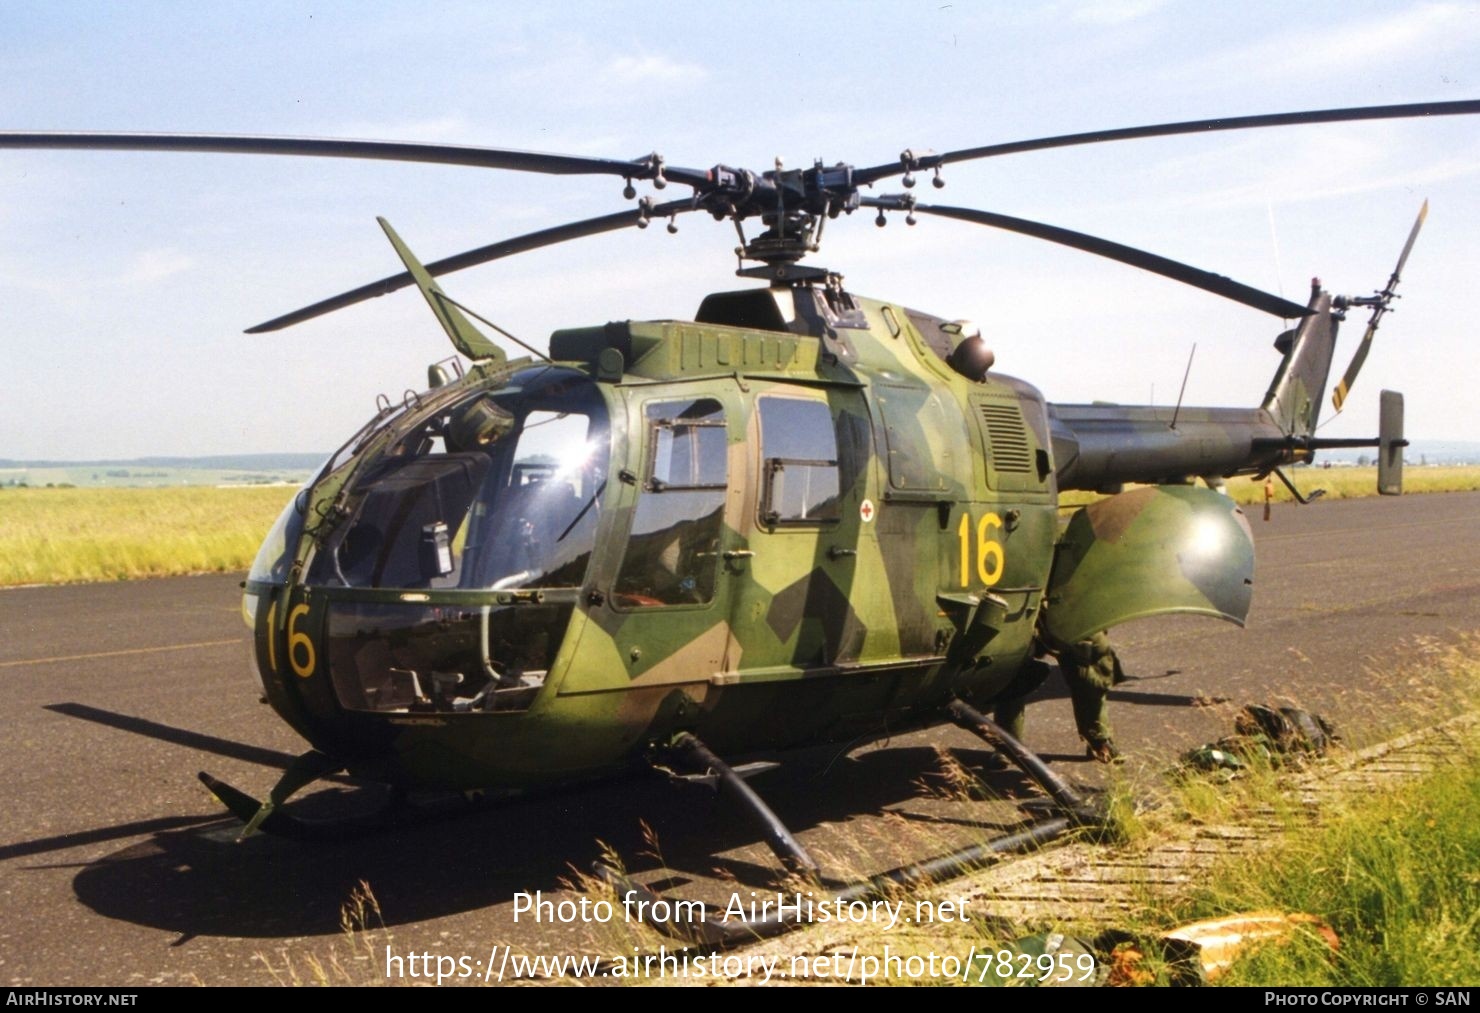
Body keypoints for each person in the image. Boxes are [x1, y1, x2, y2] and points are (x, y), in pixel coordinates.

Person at [992, 629, 1126, 764]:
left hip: (1064, 613)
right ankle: (1007, 741)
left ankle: (1098, 738)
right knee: (1010, 660)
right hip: (1020, 614)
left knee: (1092, 653)